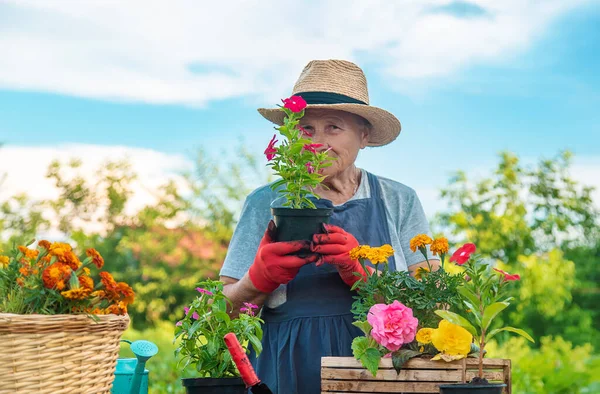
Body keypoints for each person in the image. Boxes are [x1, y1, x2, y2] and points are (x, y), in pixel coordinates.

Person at [219, 59, 439, 394]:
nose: (318, 142)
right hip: (284, 368)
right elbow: (223, 316)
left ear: (363, 135)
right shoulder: (266, 202)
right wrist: (256, 281)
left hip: (378, 370)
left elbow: (432, 309)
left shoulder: (399, 200)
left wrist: (364, 275)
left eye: (334, 127)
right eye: (306, 129)